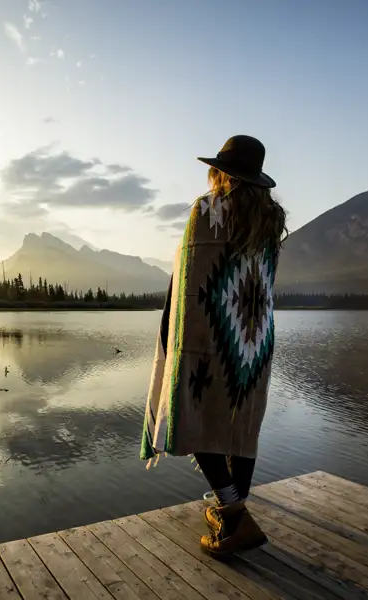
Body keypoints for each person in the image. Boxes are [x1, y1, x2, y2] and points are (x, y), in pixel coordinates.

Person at [140, 134, 287, 557]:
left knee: (196, 415)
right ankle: (232, 513)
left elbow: (187, 278)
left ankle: (233, 512)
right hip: (252, 340)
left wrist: (170, 332)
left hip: (206, 337)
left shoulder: (207, 212)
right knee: (242, 425)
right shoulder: (270, 222)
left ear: (221, 172)